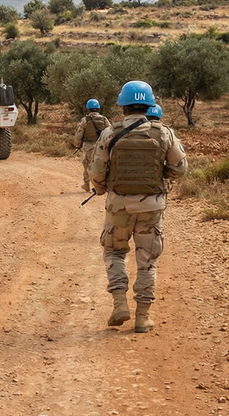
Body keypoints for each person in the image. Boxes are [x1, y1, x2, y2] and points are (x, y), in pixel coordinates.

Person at [88, 81, 186, 332]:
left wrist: (100, 188)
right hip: (151, 207)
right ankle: (143, 317)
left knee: (114, 252)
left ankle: (120, 303)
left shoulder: (110, 133)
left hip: (118, 206)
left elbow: (97, 170)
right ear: (149, 104)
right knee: (147, 260)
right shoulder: (164, 132)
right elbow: (180, 168)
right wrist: (160, 175)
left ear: (123, 105)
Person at [73, 98, 111, 191]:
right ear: (98, 109)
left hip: (88, 146)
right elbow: (110, 132)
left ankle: (86, 184)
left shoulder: (85, 120)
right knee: (101, 165)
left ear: (87, 109)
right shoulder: (104, 119)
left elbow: (79, 133)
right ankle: (101, 186)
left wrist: (77, 144)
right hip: (101, 146)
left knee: (87, 165)